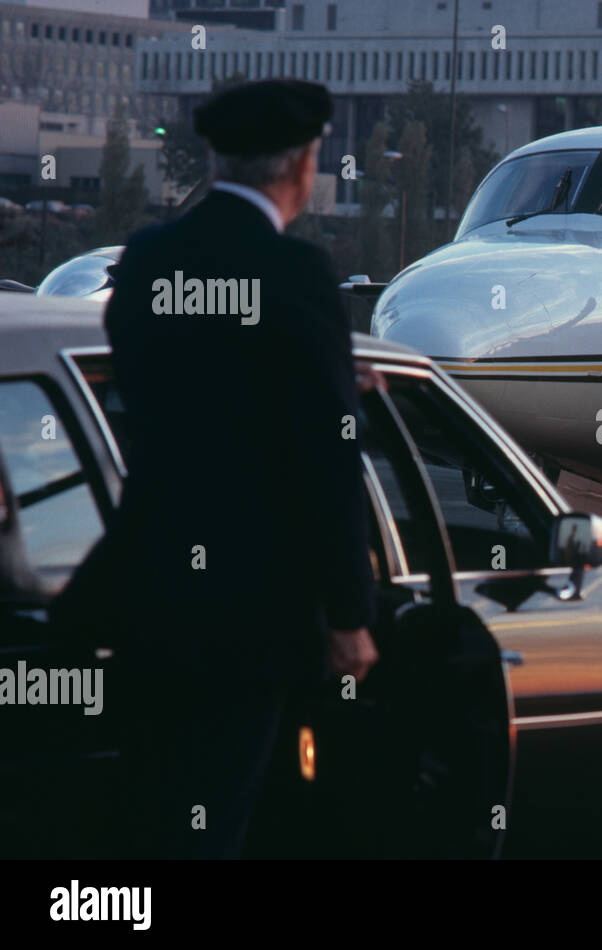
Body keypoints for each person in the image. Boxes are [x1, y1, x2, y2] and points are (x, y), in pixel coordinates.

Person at [59, 79, 378, 858]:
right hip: (248, 612)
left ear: (215, 158)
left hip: (143, 587)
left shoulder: (148, 258)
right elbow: (326, 459)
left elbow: (171, 393)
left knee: (148, 809)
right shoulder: (298, 274)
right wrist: (349, 615)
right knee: (215, 818)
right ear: (303, 166)